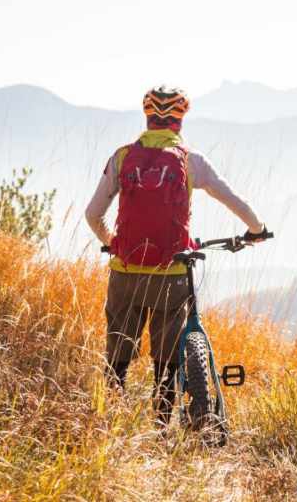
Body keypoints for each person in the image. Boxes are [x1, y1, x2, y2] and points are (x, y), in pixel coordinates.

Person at [85, 85, 267, 426]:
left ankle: (108, 424)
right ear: (180, 121)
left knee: (118, 354)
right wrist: (256, 229)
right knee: (166, 361)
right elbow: (234, 199)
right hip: (171, 275)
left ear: (148, 118)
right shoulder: (190, 161)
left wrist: (113, 242)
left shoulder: (122, 157)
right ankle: (161, 430)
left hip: (125, 272)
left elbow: (92, 214)